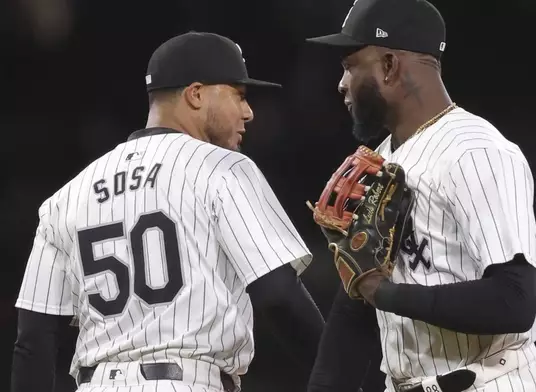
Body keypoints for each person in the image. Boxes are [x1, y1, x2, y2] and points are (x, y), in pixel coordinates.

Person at [11, 31, 325, 392]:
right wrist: (341, 379)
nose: (248, 112)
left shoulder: (64, 199)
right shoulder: (222, 168)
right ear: (195, 94)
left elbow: (33, 340)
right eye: (238, 95)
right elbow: (281, 297)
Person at [304, 0, 536, 391]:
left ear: (389, 66)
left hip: (493, 381)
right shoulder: (382, 161)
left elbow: (515, 300)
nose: (342, 83)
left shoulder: (475, 151)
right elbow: (354, 311)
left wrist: (381, 291)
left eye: (350, 65)